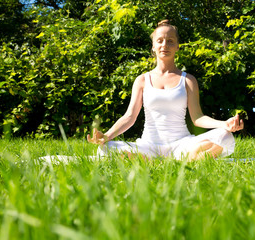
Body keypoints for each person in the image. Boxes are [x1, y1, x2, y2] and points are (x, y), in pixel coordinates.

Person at [87, 20, 244, 161]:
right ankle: (184, 161)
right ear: (153, 46)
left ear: (177, 46)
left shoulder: (188, 80)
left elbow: (197, 118)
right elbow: (129, 117)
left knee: (225, 136)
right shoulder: (142, 80)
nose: (164, 45)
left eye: (170, 41)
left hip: (182, 145)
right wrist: (106, 136)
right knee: (105, 149)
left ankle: (173, 160)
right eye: (160, 41)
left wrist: (224, 124)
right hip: (147, 146)